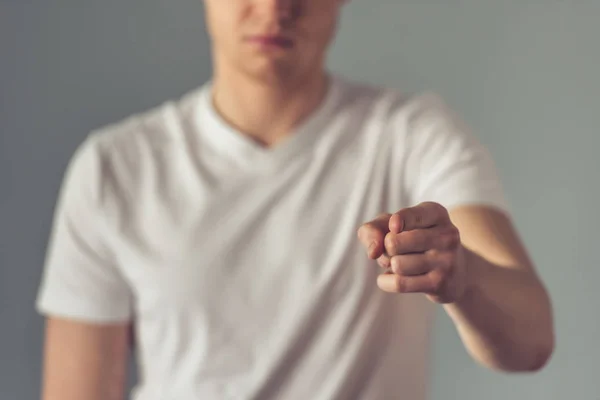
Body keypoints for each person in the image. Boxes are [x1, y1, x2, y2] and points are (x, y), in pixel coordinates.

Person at [35, 0, 555, 399]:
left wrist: (461, 275)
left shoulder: (412, 136)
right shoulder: (114, 168)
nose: (276, 6)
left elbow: (530, 340)